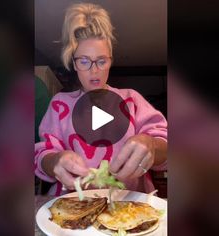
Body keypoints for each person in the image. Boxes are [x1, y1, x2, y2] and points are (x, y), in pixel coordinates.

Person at [35, 3, 167, 196]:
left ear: (110, 61)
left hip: (130, 210)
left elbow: (167, 146)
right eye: (84, 61)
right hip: (71, 212)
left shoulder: (132, 100)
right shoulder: (59, 104)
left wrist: (151, 145)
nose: (94, 70)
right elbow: (42, 154)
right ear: (74, 62)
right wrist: (54, 161)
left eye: (101, 61)